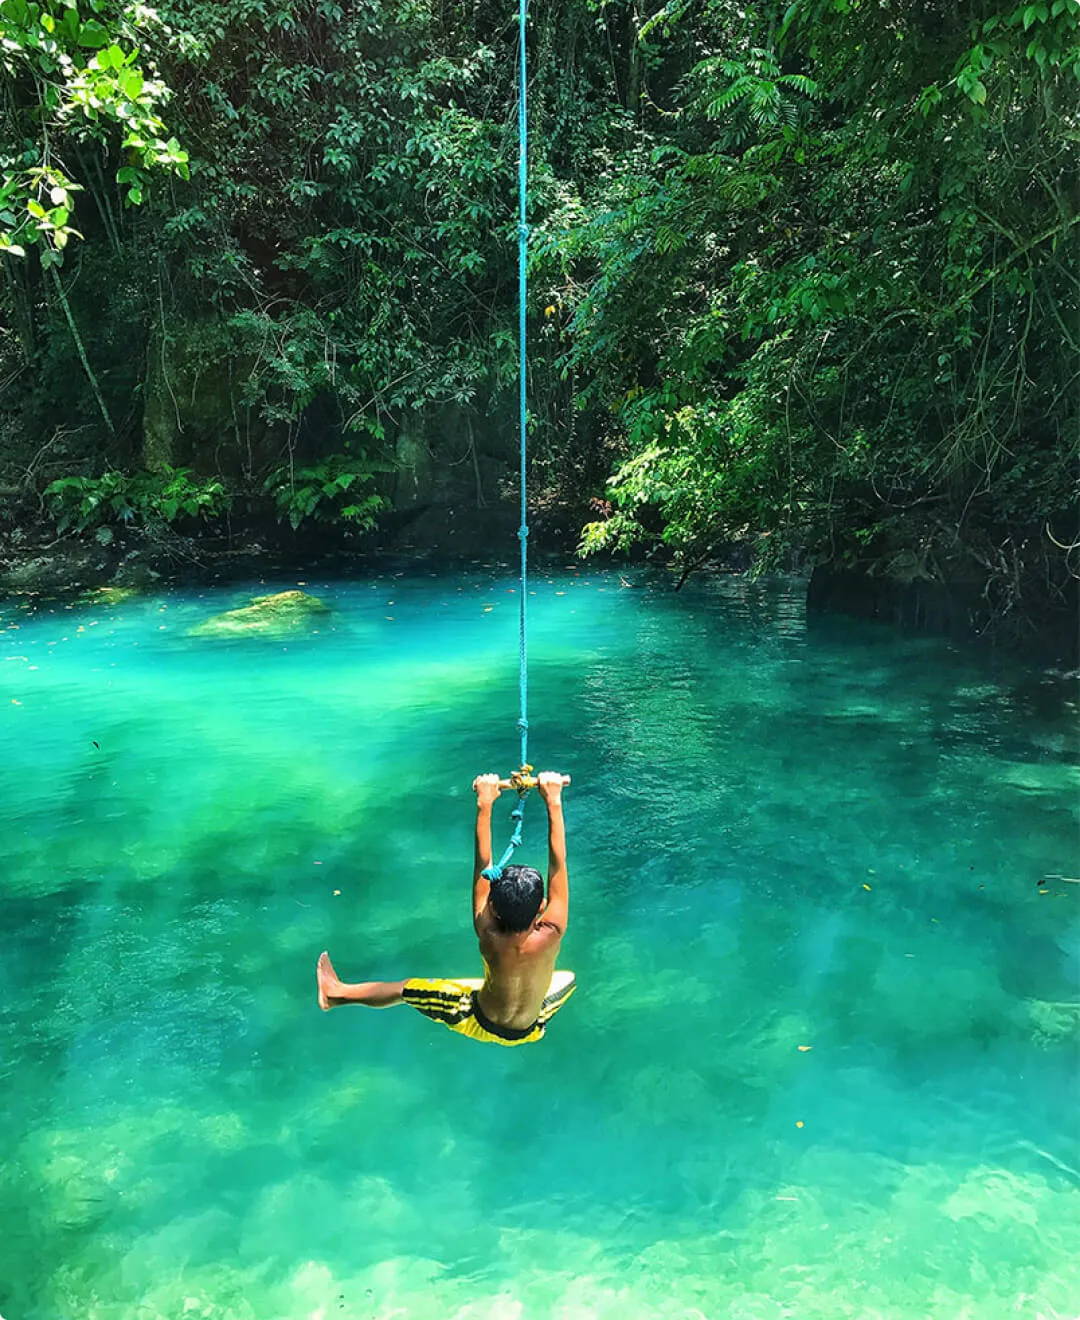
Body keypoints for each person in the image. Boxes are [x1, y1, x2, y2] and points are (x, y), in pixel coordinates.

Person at [316, 771, 574, 1046]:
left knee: (405, 989)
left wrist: (484, 803)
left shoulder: (487, 931)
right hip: (530, 1029)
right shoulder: (554, 930)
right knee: (568, 978)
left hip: (475, 1019)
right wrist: (553, 800)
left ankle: (335, 995)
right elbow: (558, 864)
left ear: (493, 908)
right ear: (541, 909)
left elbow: (482, 866)